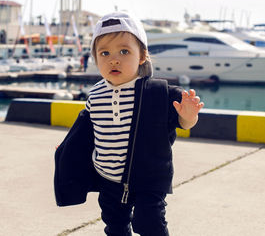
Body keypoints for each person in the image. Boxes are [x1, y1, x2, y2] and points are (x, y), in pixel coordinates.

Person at [54, 12, 204, 236]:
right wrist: (67, 151)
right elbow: (84, 131)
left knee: (149, 222)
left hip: (148, 178)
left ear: (142, 55)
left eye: (124, 51)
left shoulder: (157, 93)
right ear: (95, 58)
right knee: (115, 225)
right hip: (108, 178)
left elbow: (184, 123)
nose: (114, 59)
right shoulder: (95, 95)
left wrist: (189, 115)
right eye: (104, 53)